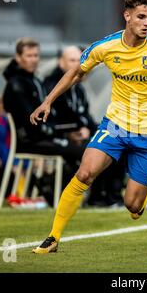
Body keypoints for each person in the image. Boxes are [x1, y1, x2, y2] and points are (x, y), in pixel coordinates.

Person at [30, 0, 147, 253]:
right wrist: (48, 101)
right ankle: (53, 237)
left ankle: (140, 199)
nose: (146, 23)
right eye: (141, 17)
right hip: (114, 126)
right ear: (127, 15)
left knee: (132, 206)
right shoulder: (107, 47)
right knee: (85, 172)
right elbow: (76, 72)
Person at [2, 38, 85, 200]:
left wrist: (64, 133)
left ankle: (50, 187)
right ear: (18, 58)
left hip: (40, 136)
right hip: (28, 140)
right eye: (29, 55)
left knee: (79, 150)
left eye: (36, 55)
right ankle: (52, 190)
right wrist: (59, 135)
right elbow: (31, 121)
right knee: (80, 152)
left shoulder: (34, 80)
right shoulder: (16, 84)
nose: (34, 60)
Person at [44, 46, 125, 207]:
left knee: (118, 139)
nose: (78, 64)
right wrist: (71, 132)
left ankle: (112, 196)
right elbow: (53, 118)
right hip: (59, 138)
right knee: (101, 150)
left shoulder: (79, 88)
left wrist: (96, 128)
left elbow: (86, 118)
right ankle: (97, 197)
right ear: (61, 62)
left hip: (79, 135)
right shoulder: (53, 85)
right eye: (72, 60)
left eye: (79, 60)